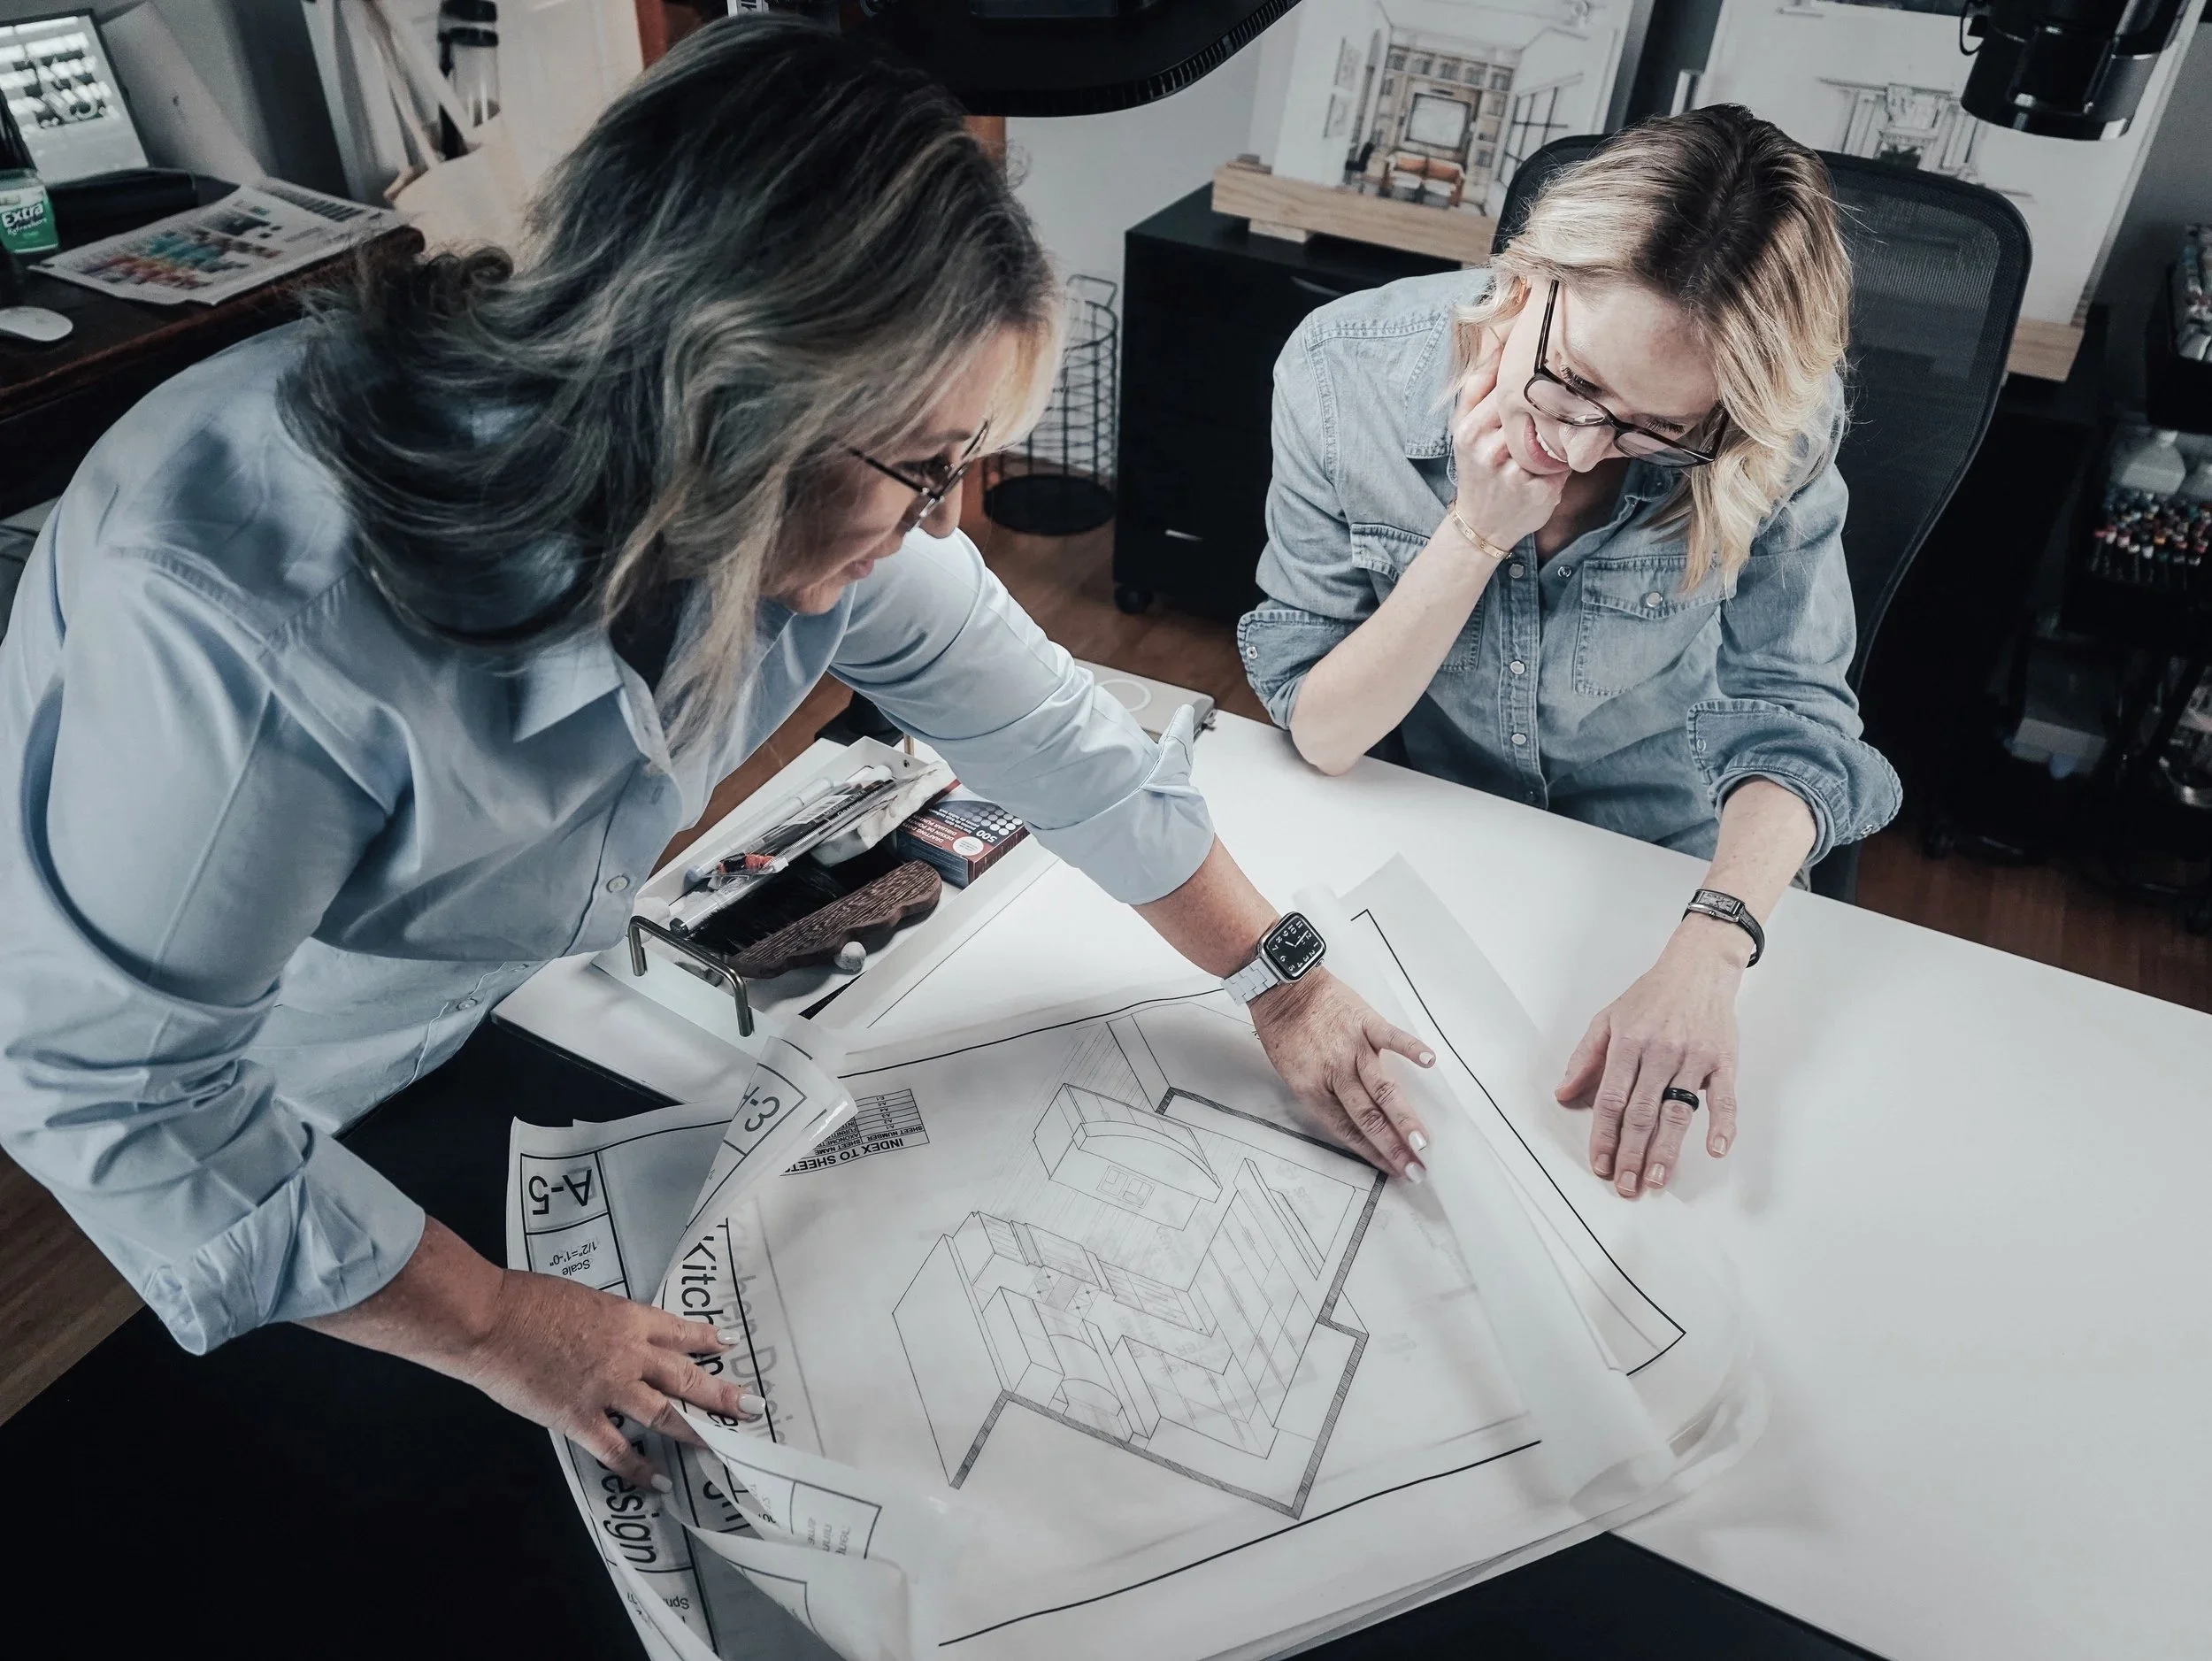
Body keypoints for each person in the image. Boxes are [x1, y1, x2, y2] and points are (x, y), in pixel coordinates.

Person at [0, 18, 1435, 1496]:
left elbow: (1054, 736)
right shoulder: (252, 631)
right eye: (929, 467)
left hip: (466, 1009)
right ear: (742, 411)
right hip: (262, 1061)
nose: (946, 519)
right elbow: (120, 1095)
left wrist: (1287, 976)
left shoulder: (806, 495)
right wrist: (502, 1324)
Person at [1238, 106, 1901, 1203]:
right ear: (1529, 272)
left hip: (1663, 870)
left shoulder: (1767, 426)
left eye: (1655, 427)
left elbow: (1796, 713)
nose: (1585, 445)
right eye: (1576, 383)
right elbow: (1324, 728)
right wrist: (1475, 531)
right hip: (1435, 841)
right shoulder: (1338, 372)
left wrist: (1708, 951)